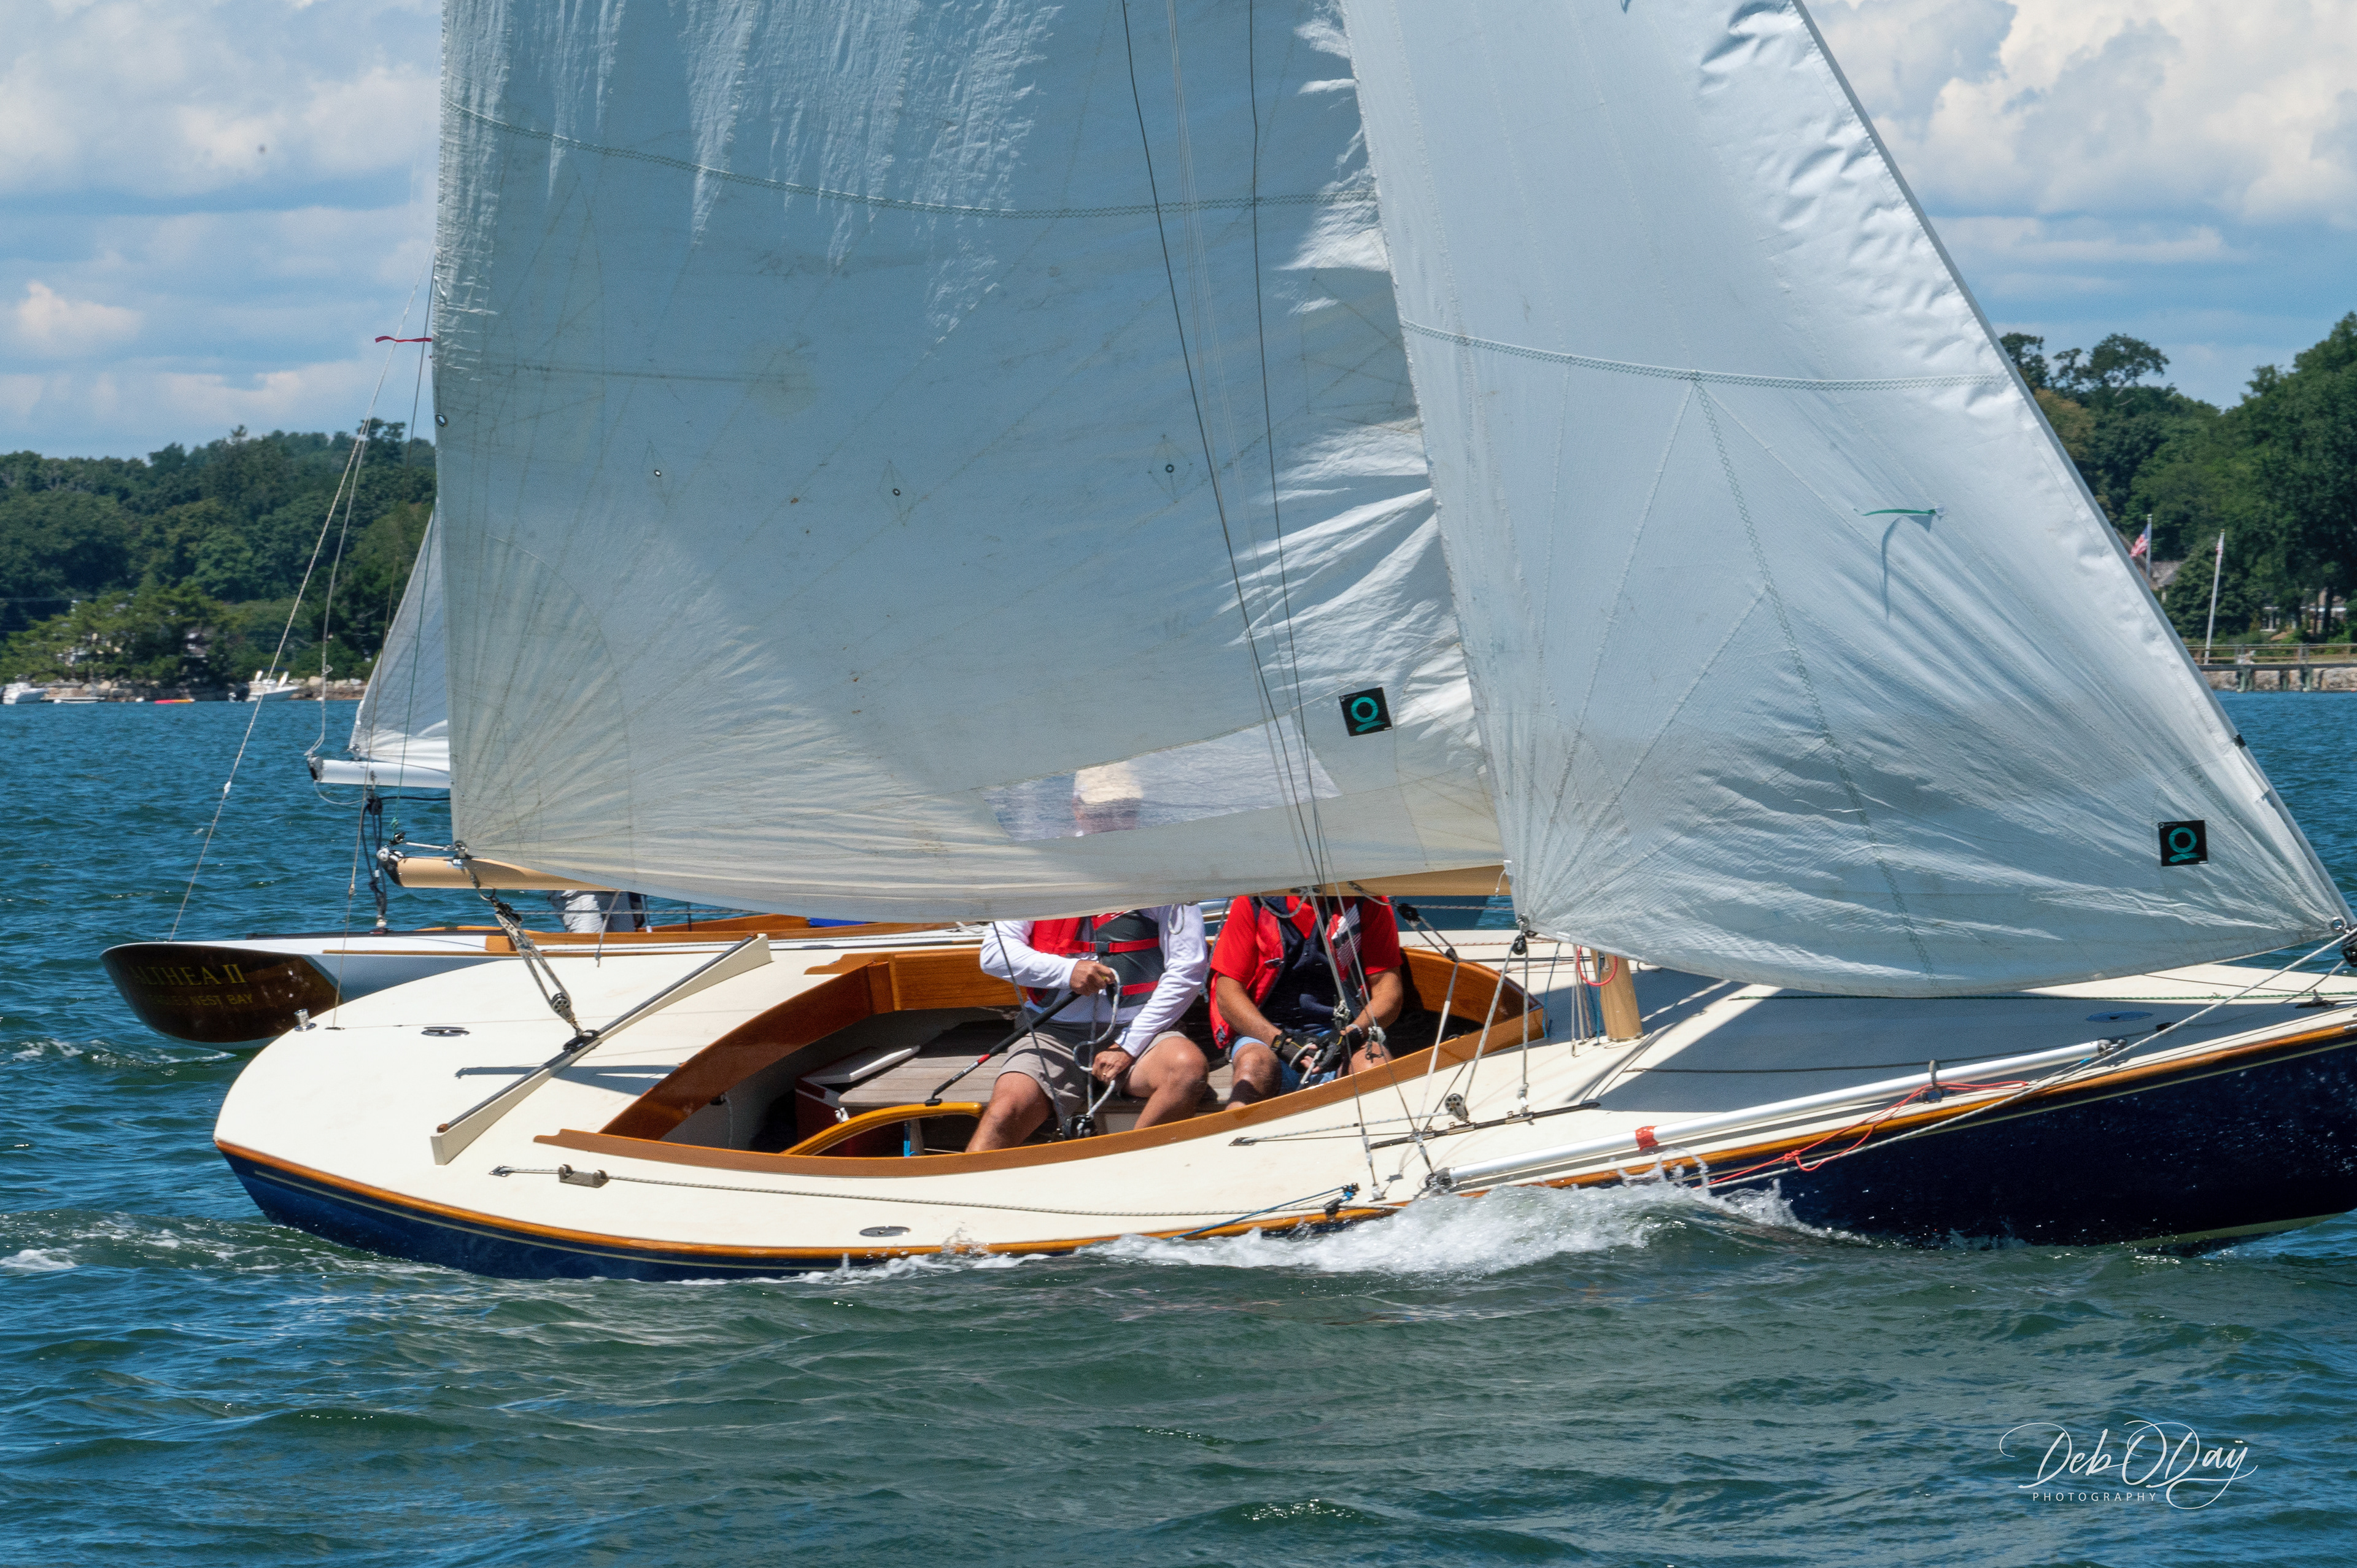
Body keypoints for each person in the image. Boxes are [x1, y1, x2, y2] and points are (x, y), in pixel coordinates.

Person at [967, 906, 1212, 1151]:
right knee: (1003, 1112)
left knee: (1186, 1071)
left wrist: (1128, 1045)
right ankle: (972, 1173)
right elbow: (994, 956)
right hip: (1053, 1032)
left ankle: (1131, 1163)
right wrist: (1067, 971)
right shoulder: (1031, 887)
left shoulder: (1164, 888)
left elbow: (1187, 969)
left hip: (1142, 1030)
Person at [1209, 891, 1405, 1103]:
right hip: (1267, 1035)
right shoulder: (1254, 902)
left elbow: (1388, 991)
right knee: (1253, 1067)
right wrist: (1281, 1042)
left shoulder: (1368, 902)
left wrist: (1351, 1034)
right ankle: (1237, 1123)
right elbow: (1227, 995)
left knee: (1373, 1067)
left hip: (1344, 1033)